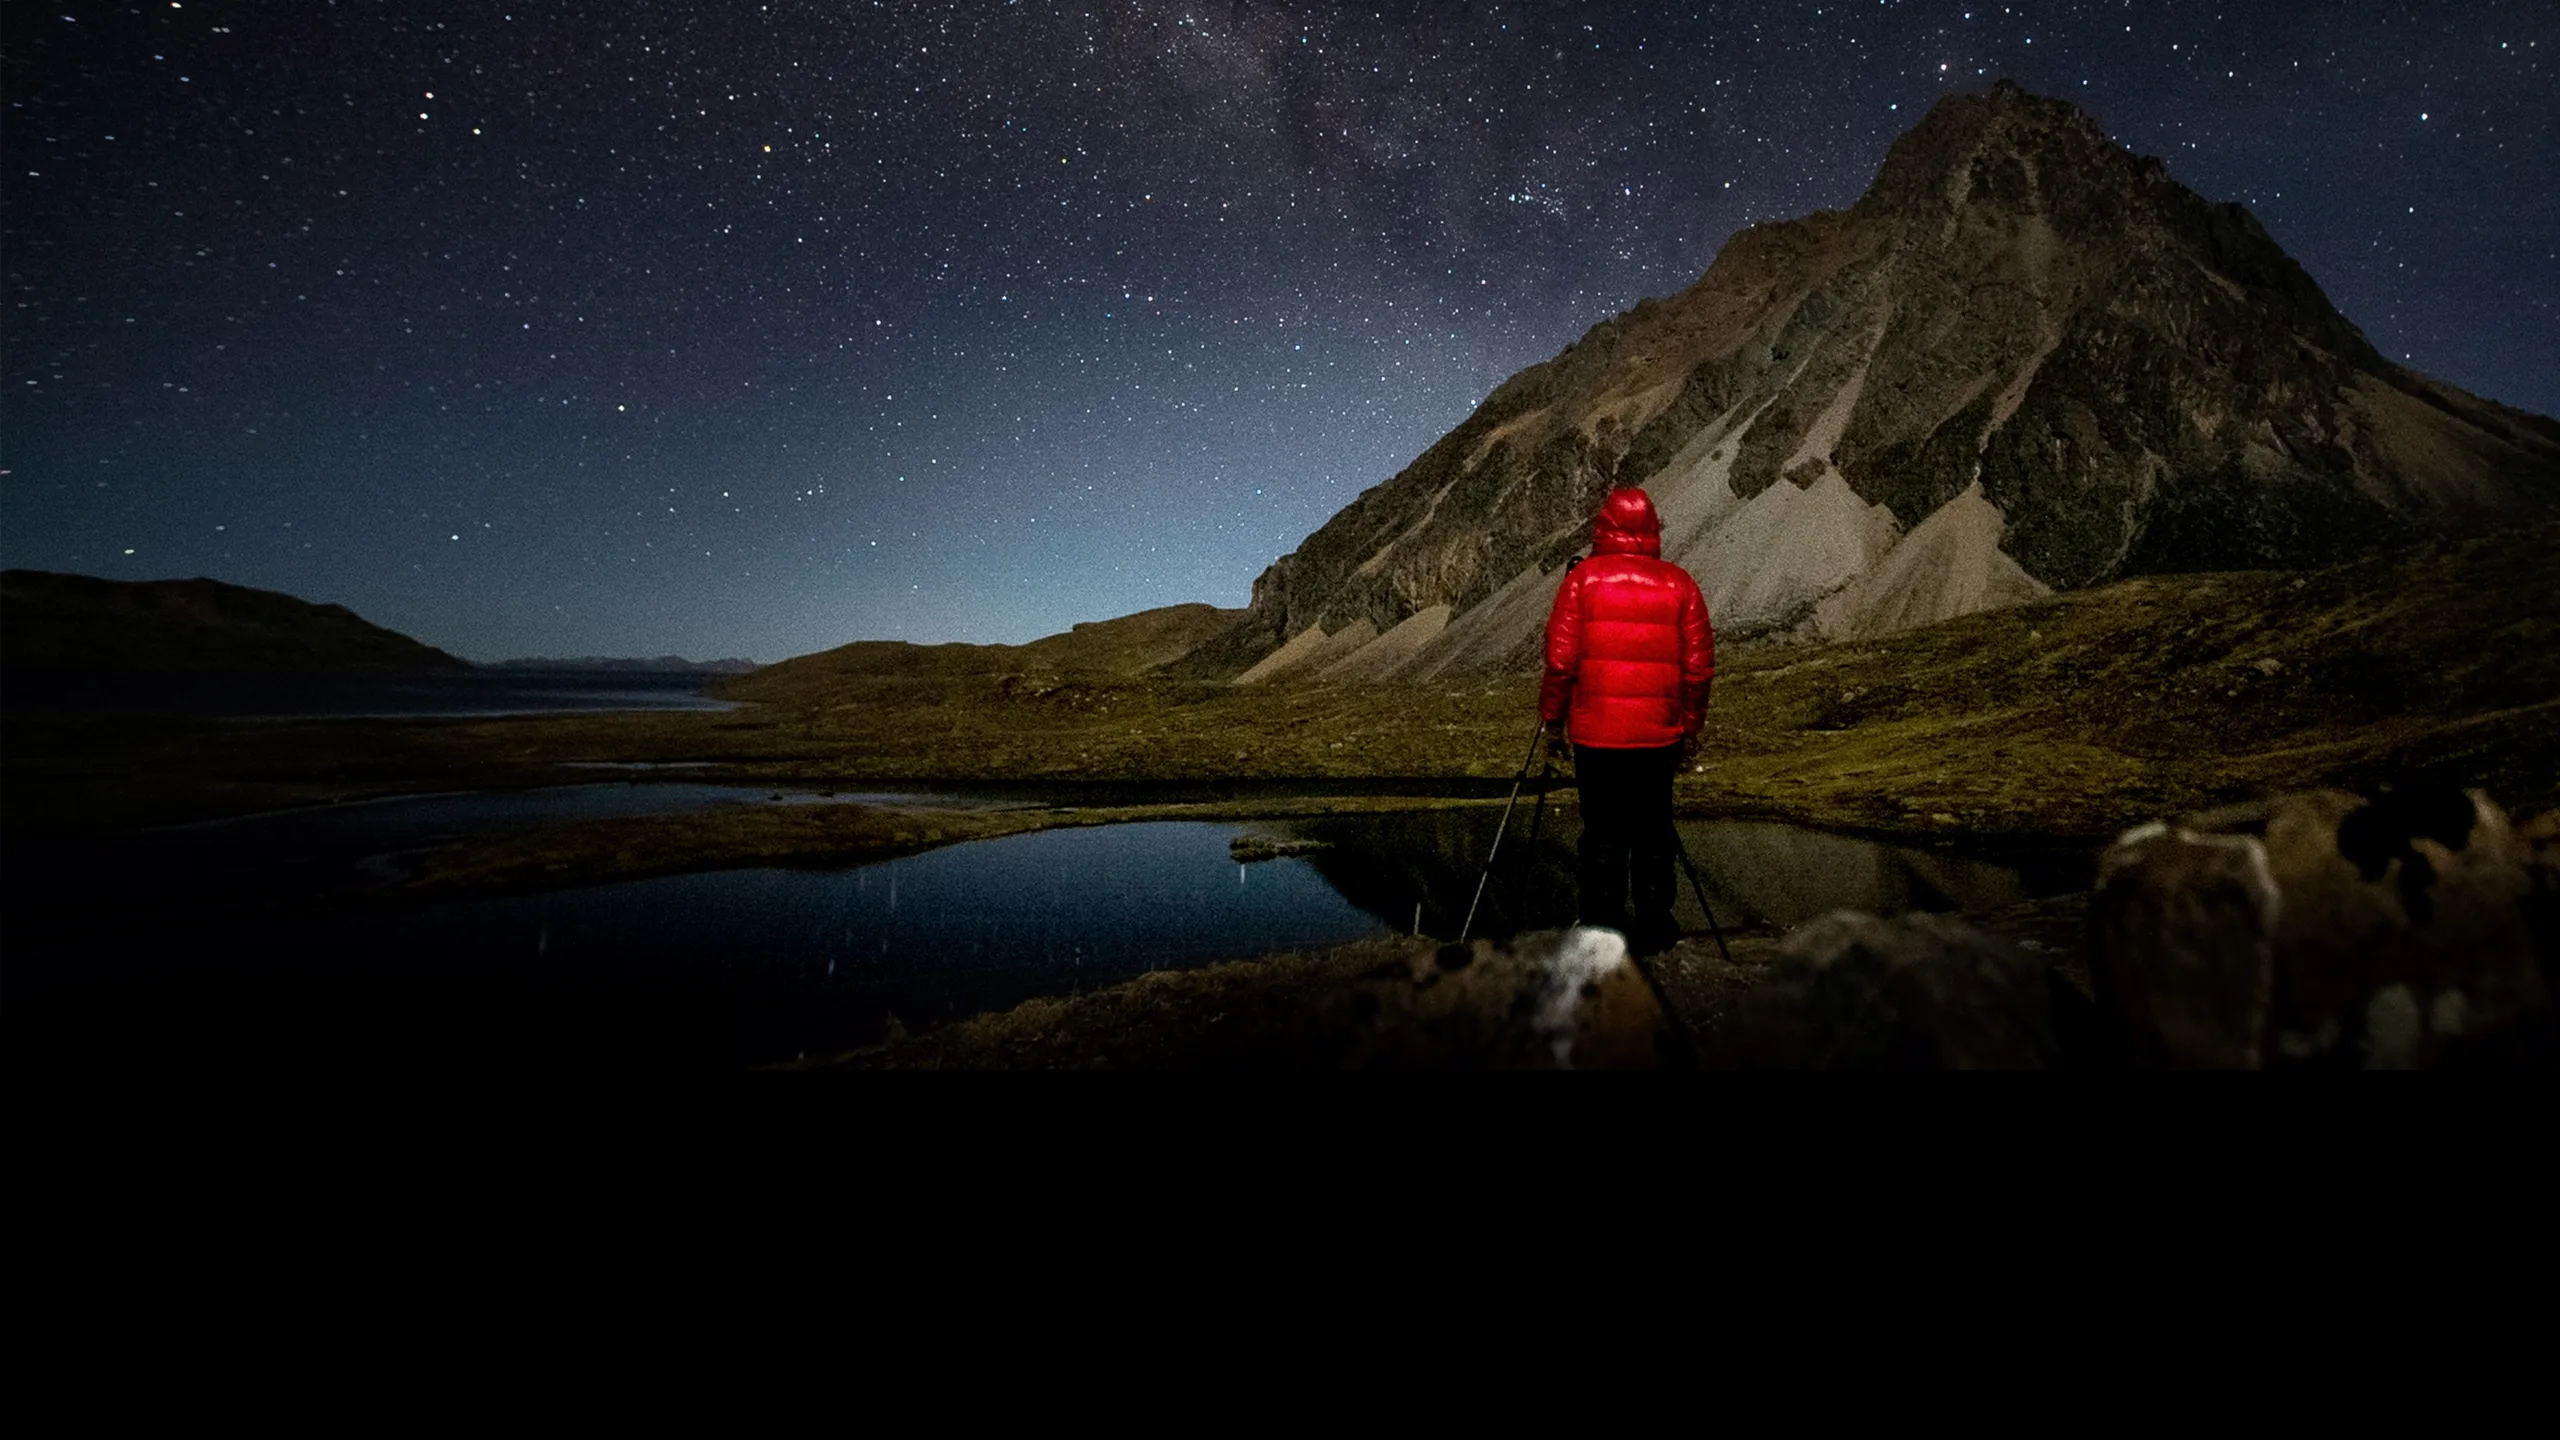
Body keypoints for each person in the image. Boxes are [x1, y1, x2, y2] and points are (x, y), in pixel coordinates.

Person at [1538, 487, 1714, 955]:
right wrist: (1690, 727)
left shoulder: (1583, 581)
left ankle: (1602, 926)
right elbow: (1698, 667)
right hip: (1659, 736)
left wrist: (1553, 723)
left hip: (1597, 737)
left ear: (1603, 527)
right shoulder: (1681, 584)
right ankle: (1656, 925)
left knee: (1602, 833)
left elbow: (1560, 661)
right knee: (1654, 830)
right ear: (1653, 528)